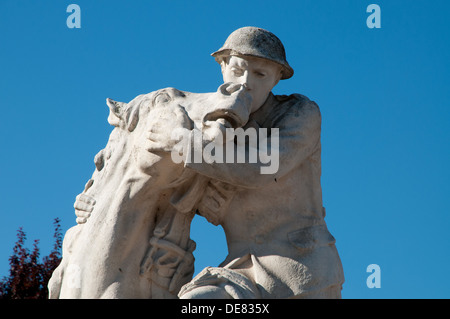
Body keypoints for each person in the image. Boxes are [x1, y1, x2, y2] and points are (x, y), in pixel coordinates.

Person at [153, 26, 345, 299]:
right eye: (237, 69)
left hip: (301, 271)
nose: (245, 82)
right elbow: (165, 191)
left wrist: (180, 143)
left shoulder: (300, 114)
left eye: (260, 73)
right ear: (222, 66)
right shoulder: (209, 128)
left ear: (277, 78)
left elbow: (258, 168)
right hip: (242, 269)